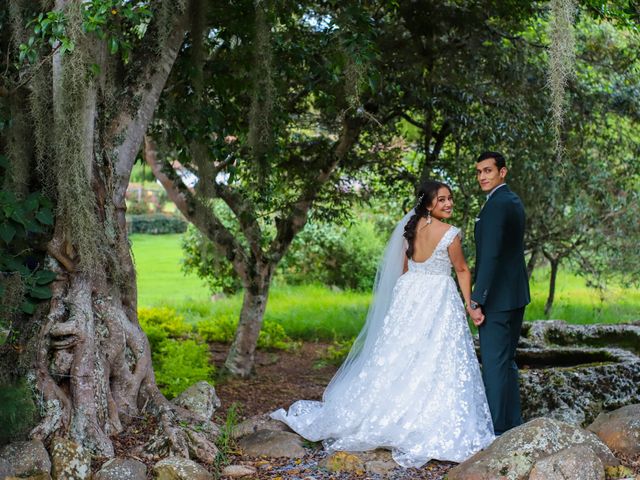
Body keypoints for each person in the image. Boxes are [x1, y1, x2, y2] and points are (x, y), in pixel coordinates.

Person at [271, 181, 494, 468]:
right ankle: (421, 419)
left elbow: (404, 270)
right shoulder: (450, 234)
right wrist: (471, 304)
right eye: (442, 200)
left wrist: (408, 295)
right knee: (437, 356)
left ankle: (392, 414)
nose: (449, 204)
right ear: (428, 205)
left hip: (410, 294)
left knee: (401, 355)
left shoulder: (411, 230)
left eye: (450, 199)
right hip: (438, 296)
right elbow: (462, 269)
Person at [467, 151, 530, 436]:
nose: (482, 176)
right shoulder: (512, 202)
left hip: (497, 299)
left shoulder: (495, 206)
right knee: (507, 363)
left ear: (502, 172)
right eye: (479, 171)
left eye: (488, 171)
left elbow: (491, 256)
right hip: (515, 295)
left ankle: (492, 432)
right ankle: (510, 427)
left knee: (494, 366)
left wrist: (477, 298)